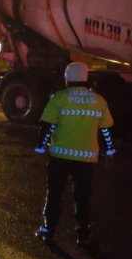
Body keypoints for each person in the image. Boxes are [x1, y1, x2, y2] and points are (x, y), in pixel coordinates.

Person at [34, 62, 115, 245]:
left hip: (60, 157)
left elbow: (47, 126)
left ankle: (48, 230)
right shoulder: (98, 100)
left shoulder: (59, 98)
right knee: (83, 196)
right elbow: (106, 131)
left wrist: (41, 147)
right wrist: (109, 151)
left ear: (67, 79)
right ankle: (83, 232)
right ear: (86, 78)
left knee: (54, 194)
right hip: (87, 159)